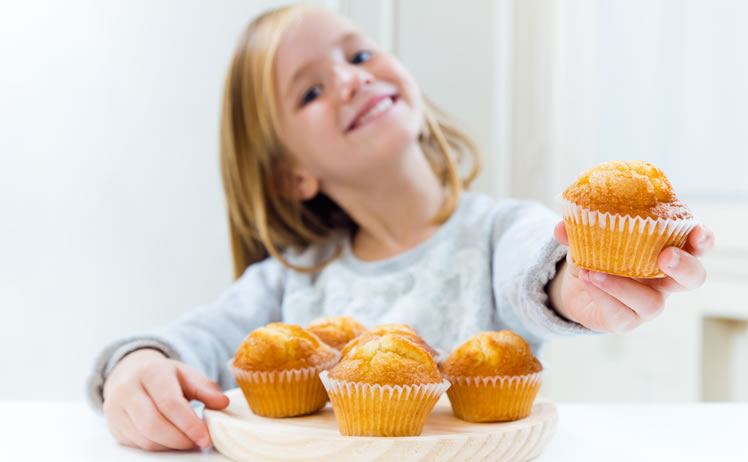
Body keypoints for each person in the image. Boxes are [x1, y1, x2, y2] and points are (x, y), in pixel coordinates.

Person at [87, 4, 715, 451]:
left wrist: (577, 286)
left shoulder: (499, 231)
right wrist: (135, 366)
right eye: (310, 91)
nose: (351, 78)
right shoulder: (286, 283)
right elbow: (195, 339)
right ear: (291, 176)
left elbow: (540, 262)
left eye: (358, 54)